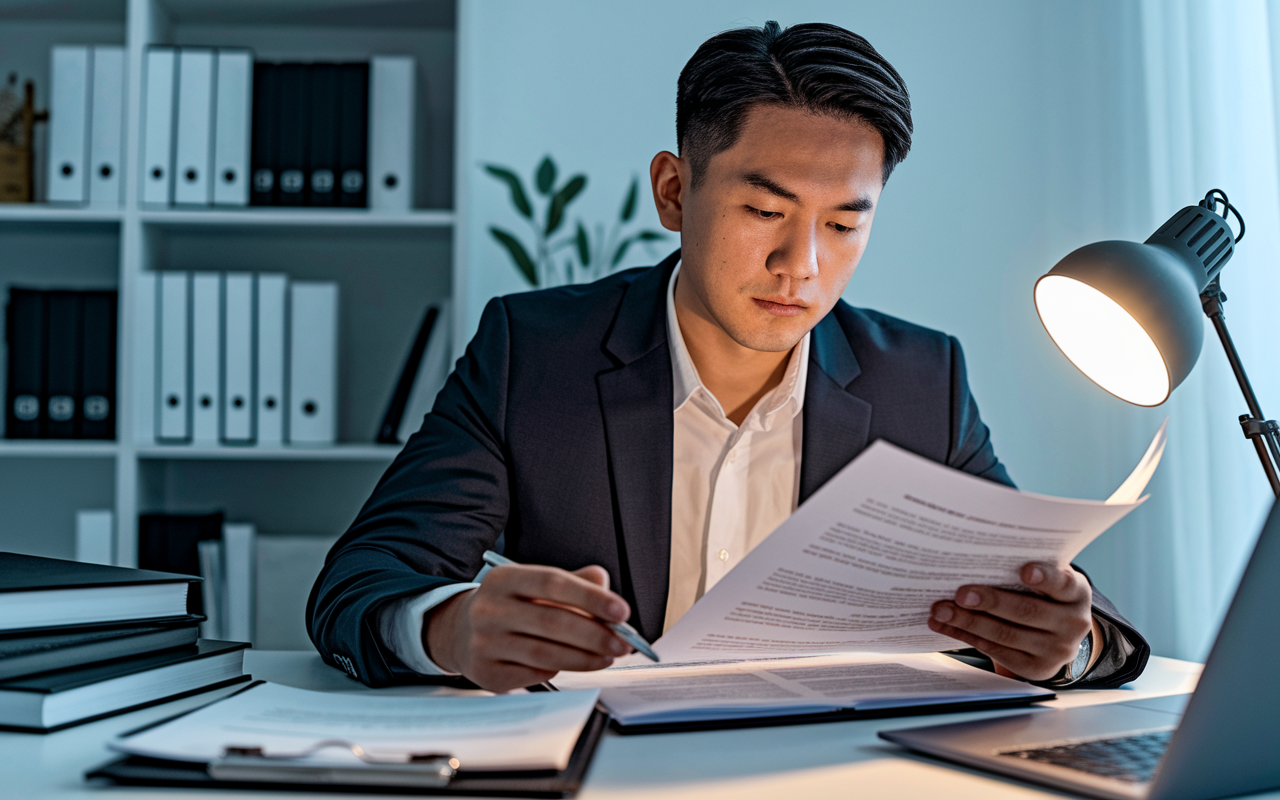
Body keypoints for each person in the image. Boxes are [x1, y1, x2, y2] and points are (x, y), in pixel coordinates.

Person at [308, 21, 1148, 693]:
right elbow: (361, 584)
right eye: (763, 210)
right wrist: (446, 628)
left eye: (844, 225)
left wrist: (1062, 647)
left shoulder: (921, 382)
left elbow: (1076, 615)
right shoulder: (535, 355)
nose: (802, 265)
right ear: (675, 191)